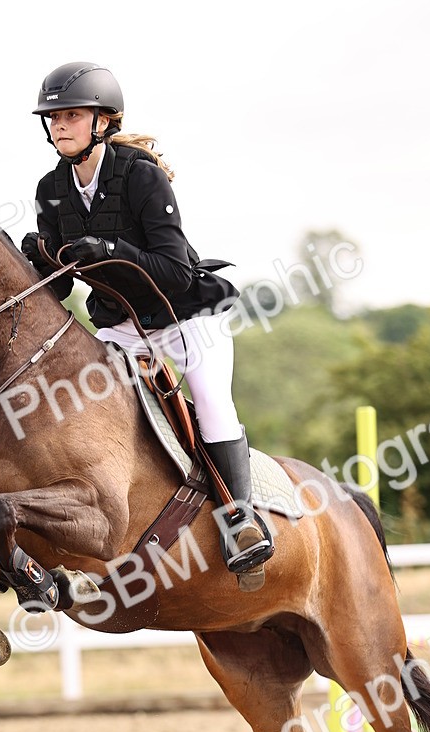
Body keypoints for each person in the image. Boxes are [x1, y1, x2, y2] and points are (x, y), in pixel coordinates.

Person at [21, 61, 274, 583]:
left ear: (102, 122)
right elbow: (63, 288)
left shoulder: (141, 176)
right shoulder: (51, 189)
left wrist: (113, 250)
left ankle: (240, 519)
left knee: (209, 400)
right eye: (53, 117)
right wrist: (37, 263)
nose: (59, 125)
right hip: (120, 325)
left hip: (186, 317)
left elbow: (176, 273)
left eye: (71, 115)